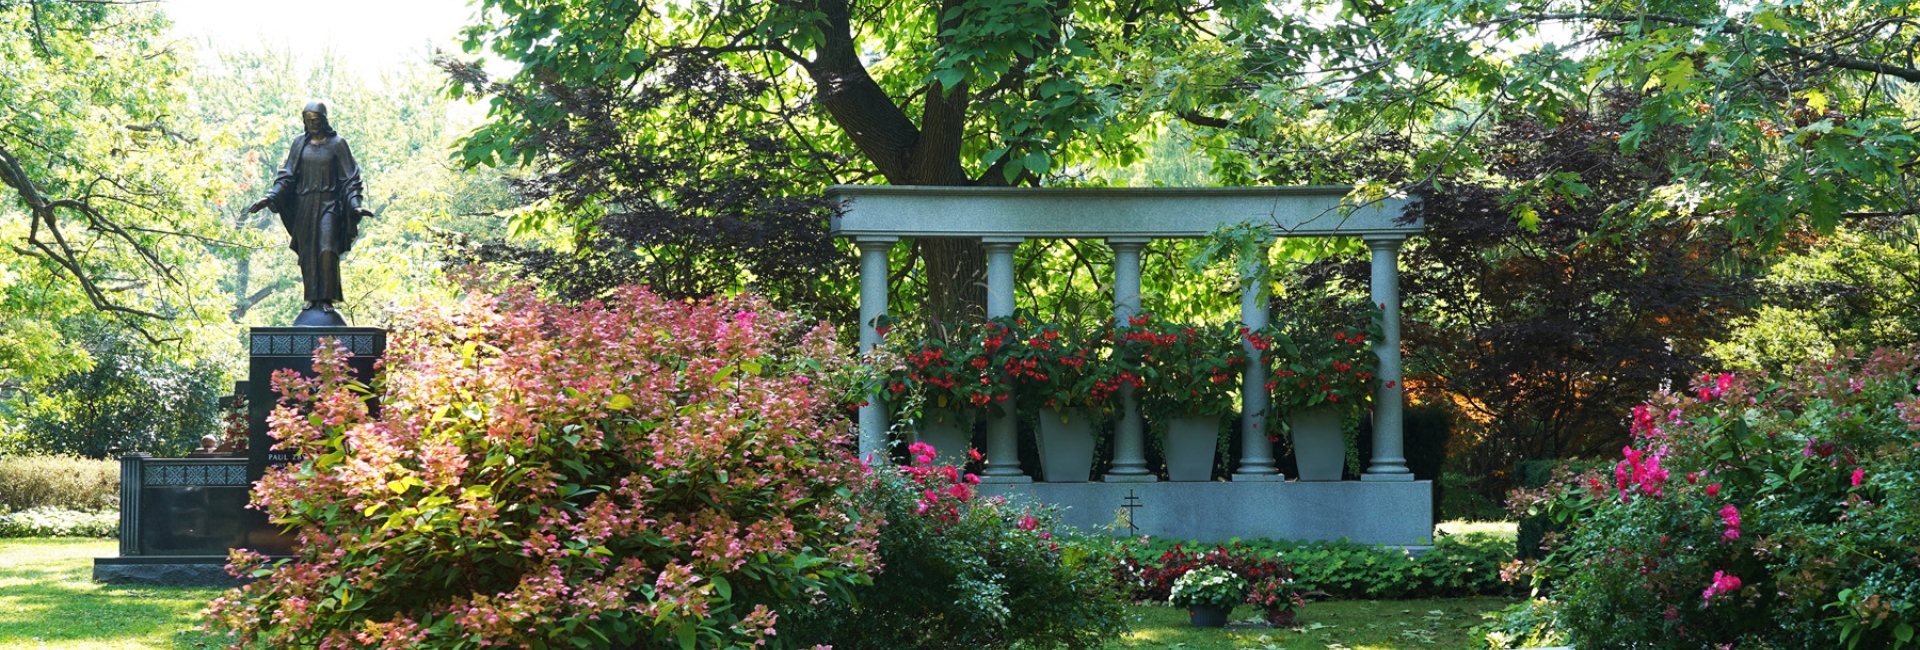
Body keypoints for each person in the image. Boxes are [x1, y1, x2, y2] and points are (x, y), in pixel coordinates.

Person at [245, 102, 373, 321]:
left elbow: (350, 179)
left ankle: (327, 299)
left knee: (326, 249)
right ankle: (312, 298)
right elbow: (287, 177)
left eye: (316, 120)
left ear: (324, 120)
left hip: (329, 204)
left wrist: (354, 205)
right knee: (308, 254)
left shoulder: (337, 144)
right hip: (305, 206)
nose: (312, 124)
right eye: (308, 120)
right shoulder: (299, 144)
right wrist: (270, 198)